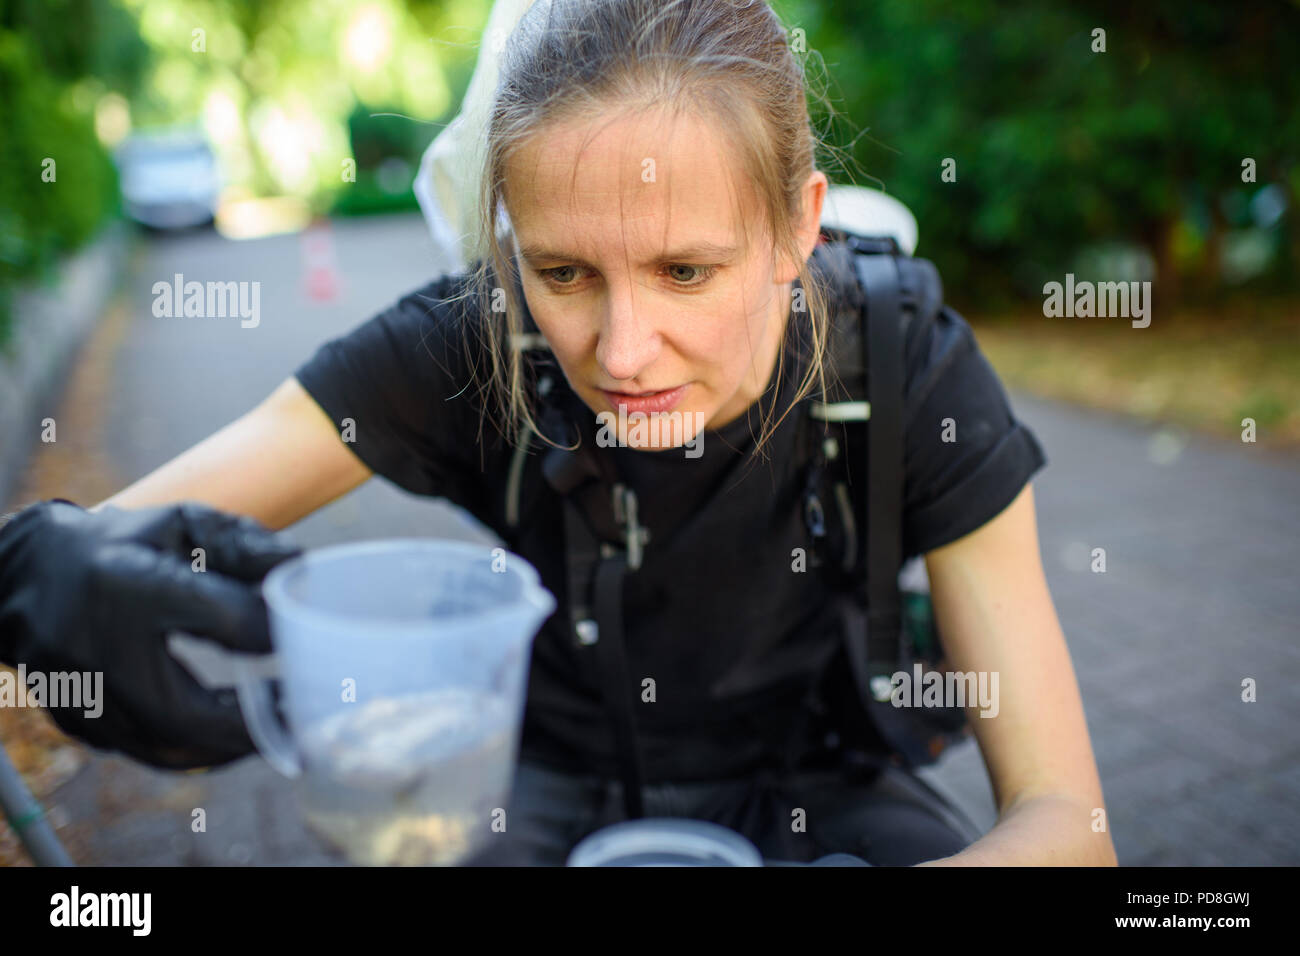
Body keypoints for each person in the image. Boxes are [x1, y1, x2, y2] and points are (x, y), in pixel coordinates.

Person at [0, 0, 1117, 867]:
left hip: (819, 772)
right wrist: (33, 565)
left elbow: (1066, 818)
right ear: (507, 248)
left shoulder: (907, 360)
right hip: (536, 767)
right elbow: (114, 539)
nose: (623, 352)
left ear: (796, 228)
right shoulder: (470, 341)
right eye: (565, 272)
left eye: (687, 270)